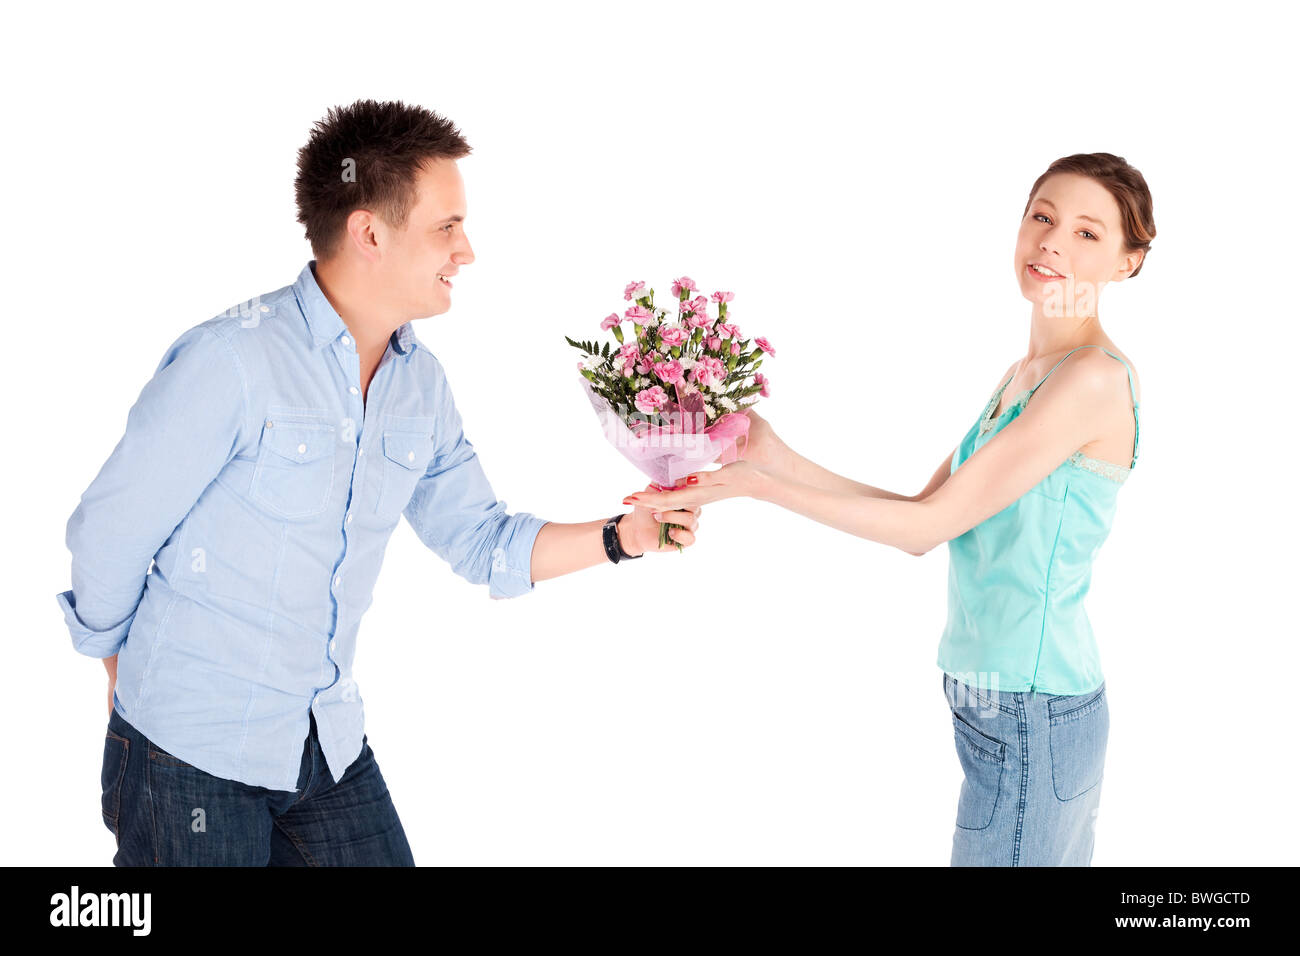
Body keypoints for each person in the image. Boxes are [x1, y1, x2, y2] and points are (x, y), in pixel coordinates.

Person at [56, 99, 701, 866]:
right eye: (446, 227)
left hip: (324, 743)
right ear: (369, 233)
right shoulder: (233, 360)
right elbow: (111, 529)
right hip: (188, 751)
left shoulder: (419, 387)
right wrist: (122, 671)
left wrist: (625, 536)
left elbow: (484, 541)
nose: (467, 251)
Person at [623, 152, 1155, 866]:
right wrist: (772, 456)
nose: (1053, 242)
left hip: (1034, 709)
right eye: (1042, 217)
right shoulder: (1026, 374)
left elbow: (928, 526)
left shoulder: (1091, 380)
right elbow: (925, 514)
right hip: (998, 701)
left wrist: (758, 488)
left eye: (1088, 233)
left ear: (1127, 262)